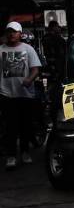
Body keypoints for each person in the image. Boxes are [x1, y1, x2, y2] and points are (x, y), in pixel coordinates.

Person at [1, 21, 41, 170]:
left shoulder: (28, 49)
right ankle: (11, 156)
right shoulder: (1, 50)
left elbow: (35, 69)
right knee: (10, 126)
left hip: (25, 94)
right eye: (9, 31)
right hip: (6, 94)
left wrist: (29, 79)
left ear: (20, 33)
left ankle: (25, 152)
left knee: (25, 125)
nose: (12, 34)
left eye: (14, 31)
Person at [39, 19, 66, 106]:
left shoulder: (46, 38)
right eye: (57, 27)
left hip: (53, 64)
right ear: (53, 27)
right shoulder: (55, 38)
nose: (59, 28)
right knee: (54, 84)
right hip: (55, 65)